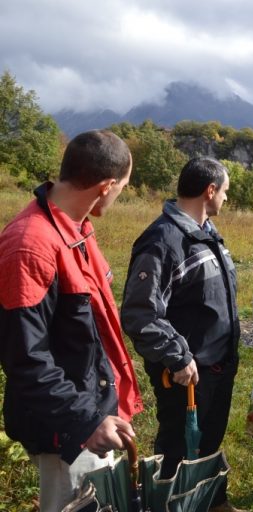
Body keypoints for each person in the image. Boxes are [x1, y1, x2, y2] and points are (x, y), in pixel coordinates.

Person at [0, 130, 143, 512]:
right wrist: (87, 420)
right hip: (66, 431)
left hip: (90, 414)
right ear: (106, 186)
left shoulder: (76, 229)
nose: (119, 195)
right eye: (123, 188)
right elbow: (25, 358)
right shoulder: (30, 245)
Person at [121, 157, 243, 512]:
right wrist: (178, 356)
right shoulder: (162, 239)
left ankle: (213, 502)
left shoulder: (207, 234)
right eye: (225, 192)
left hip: (217, 366)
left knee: (210, 439)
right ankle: (171, 505)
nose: (226, 199)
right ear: (210, 190)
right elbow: (140, 313)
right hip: (185, 373)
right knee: (178, 445)